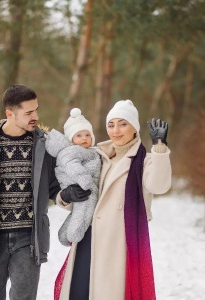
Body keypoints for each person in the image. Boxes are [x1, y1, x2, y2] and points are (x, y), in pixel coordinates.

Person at [0, 84, 90, 300]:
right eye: (29, 112)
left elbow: (53, 187)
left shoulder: (44, 145)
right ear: (9, 113)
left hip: (29, 239)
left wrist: (66, 196)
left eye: (36, 110)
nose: (36, 116)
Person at [55, 99, 172, 300]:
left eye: (123, 123)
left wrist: (159, 147)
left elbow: (159, 185)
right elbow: (77, 193)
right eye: (111, 124)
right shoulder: (96, 156)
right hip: (87, 238)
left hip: (118, 243)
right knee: (78, 293)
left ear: (134, 127)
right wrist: (65, 196)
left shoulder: (144, 161)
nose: (116, 130)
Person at [45, 108, 101, 246]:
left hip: (84, 186)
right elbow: (72, 166)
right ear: (71, 139)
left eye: (87, 135)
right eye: (79, 135)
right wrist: (86, 181)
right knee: (83, 213)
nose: (84, 138)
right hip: (82, 187)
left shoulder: (90, 151)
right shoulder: (72, 151)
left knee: (78, 213)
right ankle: (73, 235)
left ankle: (64, 236)